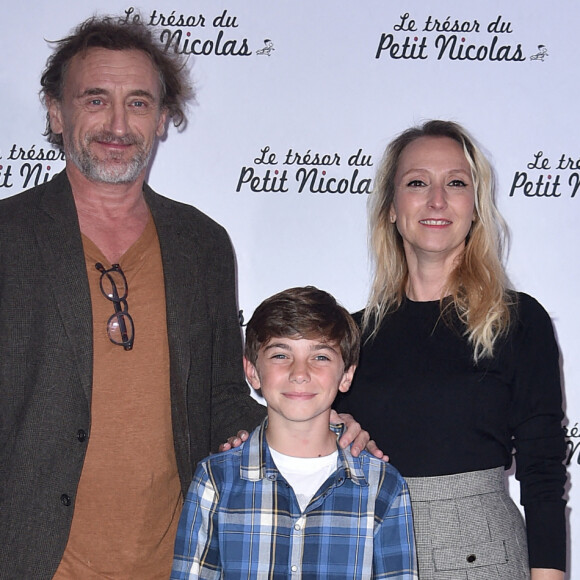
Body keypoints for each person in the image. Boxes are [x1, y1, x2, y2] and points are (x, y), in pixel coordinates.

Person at [0, 16, 370, 580]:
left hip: (181, 560)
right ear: (56, 111)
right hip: (29, 559)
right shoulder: (9, 236)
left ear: (164, 117)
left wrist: (317, 427)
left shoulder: (202, 244)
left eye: (140, 103)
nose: (118, 124)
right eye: (96, 100)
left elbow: (223, 396)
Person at [335, 120, 567, 580]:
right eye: (417, 182)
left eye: (456, 183)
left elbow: (543, 471)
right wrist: (329, 425)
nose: (437, 200)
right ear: (391, 209)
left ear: (476, 207)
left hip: (485, 557)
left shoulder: (518, 321)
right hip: (368, 552)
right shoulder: (350, 335)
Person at [171, 286, 418, 579]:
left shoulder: (383, 487)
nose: (300, 372)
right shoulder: (216, 481)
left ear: (347, 375)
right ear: (252, 371)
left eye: (321, 357)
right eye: (280, 355)